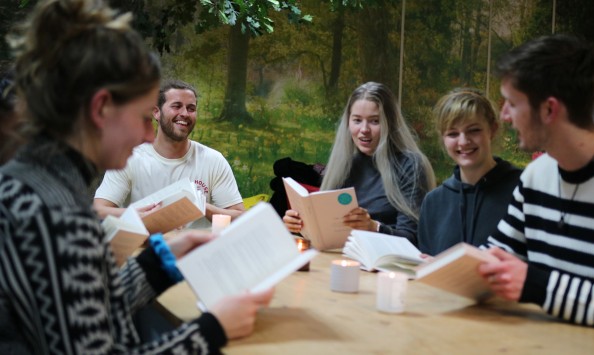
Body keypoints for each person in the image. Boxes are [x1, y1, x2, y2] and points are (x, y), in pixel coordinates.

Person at [0, 0, 272, 353]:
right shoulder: (58, 214)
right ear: (100, 109)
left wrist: (162, 260)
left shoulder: (37, 184)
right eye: (145, 116)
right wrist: (213, 329)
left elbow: (88, 310)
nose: (148, 134)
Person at [477, 34, 594, 332]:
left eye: (511, 103)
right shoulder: (536, 175)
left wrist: (539, 286)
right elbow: (494, 257)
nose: (505, 116)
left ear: (549, 109)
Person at [284, 82, 436, 243]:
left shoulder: (410, 165)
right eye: (357, 120)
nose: (364, 129)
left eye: (374, 121)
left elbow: (412, 240)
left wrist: (374, 227)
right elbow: (328, 235)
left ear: (390, 123)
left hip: (388, 265)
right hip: (342, 259)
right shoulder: (344, 165)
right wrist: (301, 226)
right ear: (348, 122)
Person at [93, 79, 244, 227]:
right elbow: (98, 210)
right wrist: (137, 214)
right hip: (146, 249)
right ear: (156, 112)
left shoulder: (213, 160)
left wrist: (202, 206)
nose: (185, 113)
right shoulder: (129, 159)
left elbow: (240, 217)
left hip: (196, 250)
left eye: (191, 108)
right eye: (177, 106)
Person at [417, 89, 521, 255]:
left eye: (474, 130)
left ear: (492, 130)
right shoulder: (433, 203)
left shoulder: (521, 190)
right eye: (453, 134)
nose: (463, 141)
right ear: (443, 139)